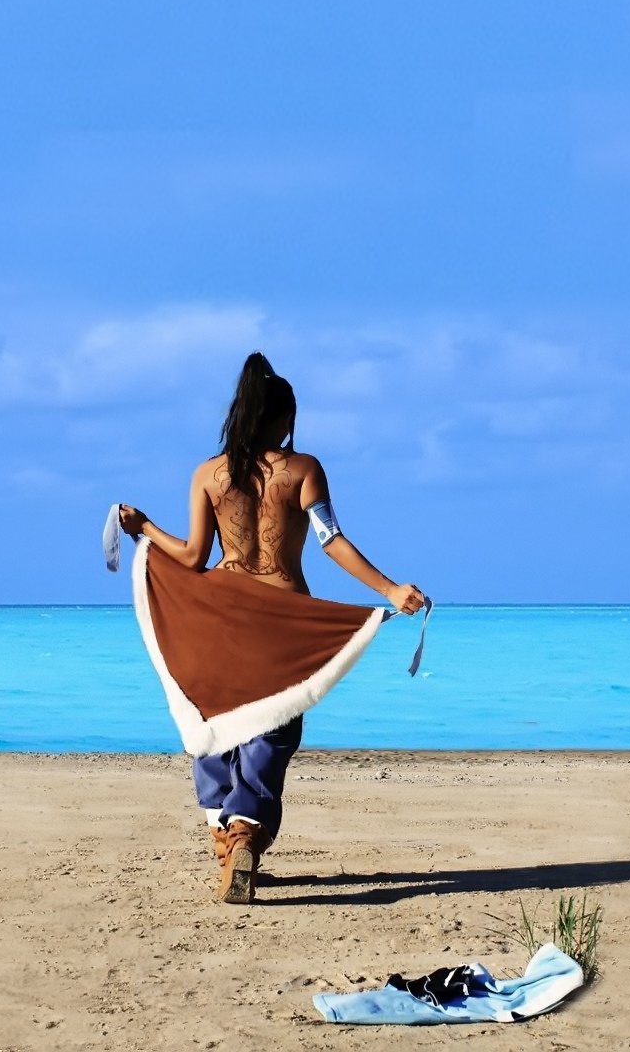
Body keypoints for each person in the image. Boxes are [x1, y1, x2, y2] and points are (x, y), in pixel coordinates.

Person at [116, 352, 426, 903]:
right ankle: (245, 835)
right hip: (281, 617)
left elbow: (190, 558)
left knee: (216, 718)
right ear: (283, 418)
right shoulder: (303, 468)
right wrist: (389, 590)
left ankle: (228, 841)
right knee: (275, 728)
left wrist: (144, 530)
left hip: (221, 614)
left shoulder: (207, 475)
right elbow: (331, 540)